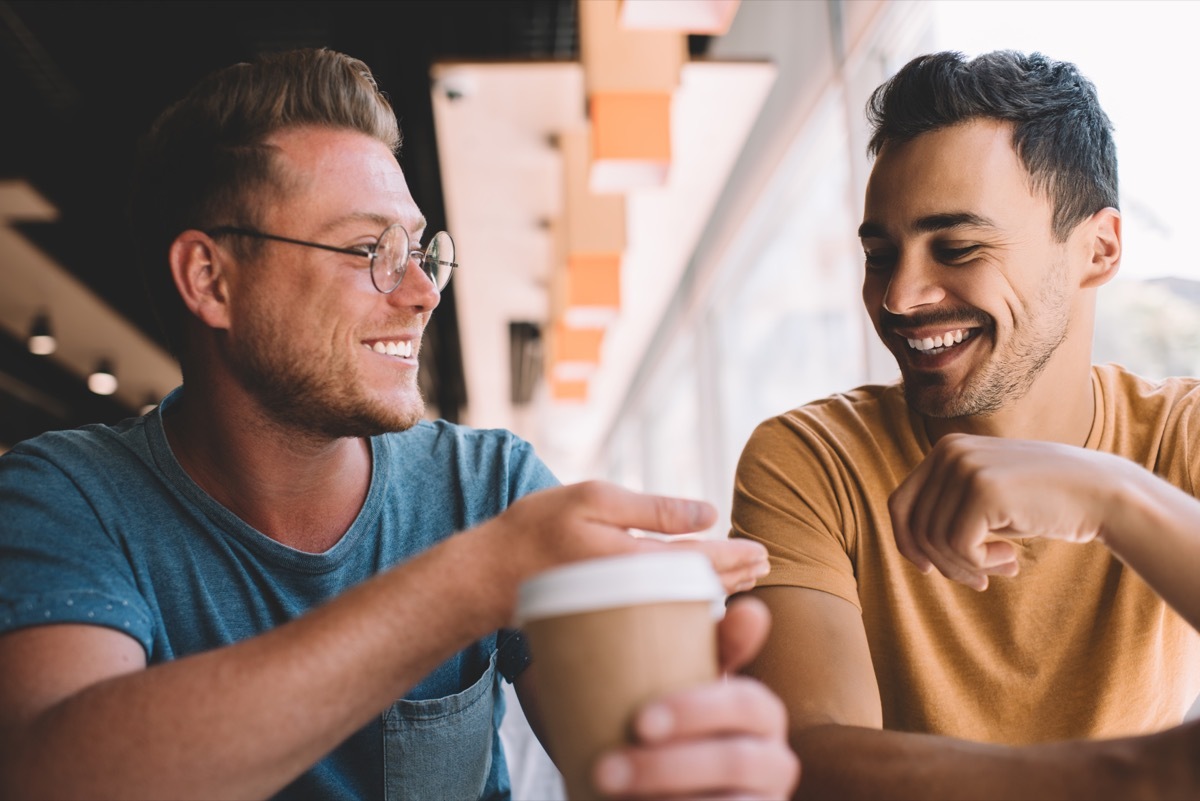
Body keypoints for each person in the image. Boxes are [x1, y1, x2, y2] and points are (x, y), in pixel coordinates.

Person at [0, 48, 799, 800]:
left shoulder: (487, 487)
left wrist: (701, 756)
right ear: (210, 279)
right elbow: (51, 772)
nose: (421, 291)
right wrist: (471, 581)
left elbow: (636, 760)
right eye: (367, 249)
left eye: (420, 249)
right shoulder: (68, 496)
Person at [732, 49, 1200, 799]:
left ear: (1098, 248)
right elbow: (810, 760)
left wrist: (1110, 495)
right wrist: (1136, 774)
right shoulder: (809, 458)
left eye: (959, 248)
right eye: (881, 255)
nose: (900, 297)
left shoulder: (1183, 434)